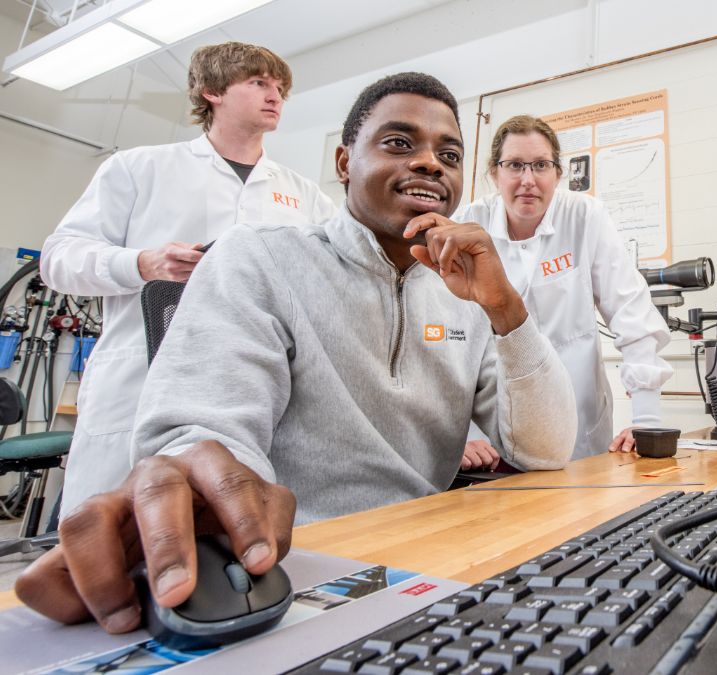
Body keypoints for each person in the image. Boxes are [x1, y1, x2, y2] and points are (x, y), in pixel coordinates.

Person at [16, 72, 576, 633]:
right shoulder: (261, 259)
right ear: (343, 162)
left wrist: (505, 309)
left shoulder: (464, 294)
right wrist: (199, 479)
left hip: (426, 558)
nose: (431, 163)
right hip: (296, 567)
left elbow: (547, 451)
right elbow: (208, 433)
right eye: (400, 143)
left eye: (449, 154)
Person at [40, 42, 336, 512]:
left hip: (257, 393)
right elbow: (58, 259)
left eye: (280, 87)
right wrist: (142, 263)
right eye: (259, 82)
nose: (275, 95)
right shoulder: (140, 168)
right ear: (213, 90)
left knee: (228, 543)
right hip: (141, 383)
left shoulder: (304, 195)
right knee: (110, 536)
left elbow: (332, 282)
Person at [456, 114, 671, 464]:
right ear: (494, 173)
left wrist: (646, 422)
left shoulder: (585, 218)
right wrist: (461, 435)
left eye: (541, 165)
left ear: (558, 172)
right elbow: (448, 344)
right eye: (514, 165)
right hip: (489, 440)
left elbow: (633, 316)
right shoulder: (468, 224)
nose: (528, 180)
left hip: (578, 427)